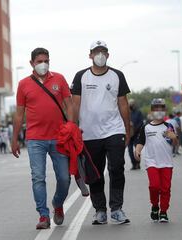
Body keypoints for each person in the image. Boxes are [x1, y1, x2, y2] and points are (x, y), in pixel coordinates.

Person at [11, 47, 73, 230]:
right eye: (39, 61)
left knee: (64, 178)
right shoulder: (23, 84)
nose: (43, 64)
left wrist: (72, 127)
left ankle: (58, 203)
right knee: (38, 177)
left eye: (46, 60)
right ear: (32, 63)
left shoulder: (59, 79)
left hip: (59, 137)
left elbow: (69, 105)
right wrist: (14, 139)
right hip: (35, 139)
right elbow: (19, 114)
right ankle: (43, 215)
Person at [71, 40, 131, 225]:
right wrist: (72, 129)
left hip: (114, 130)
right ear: (90, 55)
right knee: (95, 172)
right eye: (96, 52)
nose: (100, 55)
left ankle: (117, 209)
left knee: (117, 167)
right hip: (89, 133)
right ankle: (100, 210)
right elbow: (74, 104)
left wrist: (127, 129)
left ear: (108, 55)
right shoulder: (81, 76)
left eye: (103, 51)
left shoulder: (117, 75)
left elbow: (123, 103)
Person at [135, 98, 178, 222]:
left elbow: (175, 142)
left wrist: (174, 138)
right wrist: (137, 151)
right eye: (156, 108)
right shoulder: (146, 127)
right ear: (152, 111)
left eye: (161, 108)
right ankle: (155, 205)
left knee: (165, 188)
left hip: (166, 163)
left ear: (165, 110)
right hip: (151, 162)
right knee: (154, 186)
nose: (159, 111)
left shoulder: (169, 126)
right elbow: (140, 142)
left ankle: (163, 212)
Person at [128, 99, 144, 170]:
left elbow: (141, 123)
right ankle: (133, 164)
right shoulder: (127, 112)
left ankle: (138, 163)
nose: (131, 105)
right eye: (130, 104)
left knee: (137, 150)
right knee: (130, 150)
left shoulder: (138, 112)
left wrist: (135, 129)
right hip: (129, 135)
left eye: (132, 104)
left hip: (136, 134)